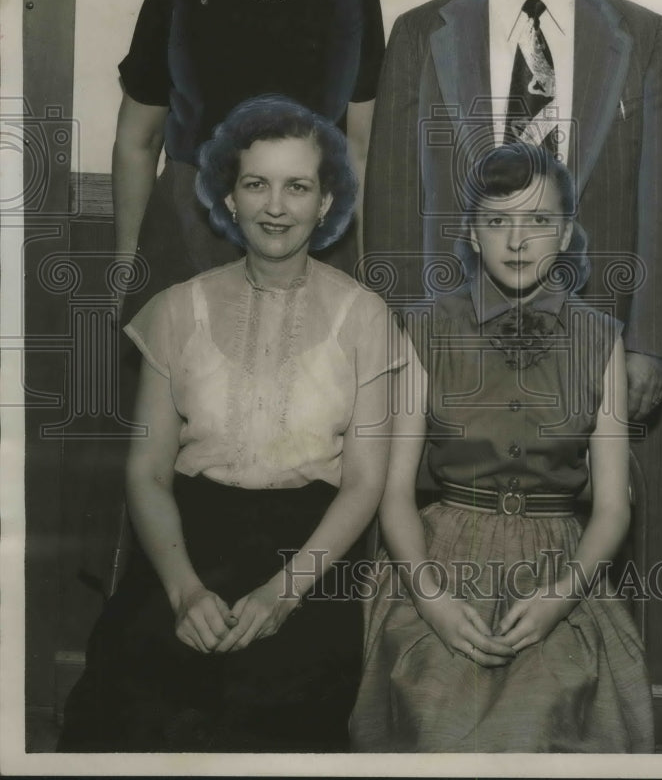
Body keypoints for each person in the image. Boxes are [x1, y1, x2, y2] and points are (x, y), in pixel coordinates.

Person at [58, 96, 404, 752]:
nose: (276, 206)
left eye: (298, 186)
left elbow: (364, 483)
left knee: (274, 715)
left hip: (311, 556)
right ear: (231, 198)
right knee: (134, 702)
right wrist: (185, 592)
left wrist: (283, 595)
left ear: (326, 202)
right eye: (257, 185)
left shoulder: (366, 317)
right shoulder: (174, 310)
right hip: (186, 542)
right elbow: (148, 472)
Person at [363, 0, 662, 421]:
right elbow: (391, 205)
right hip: (451, 343)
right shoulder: (418, 36)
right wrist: (401, 344)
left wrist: (649, 346)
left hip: (595, 339)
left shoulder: (641, 38)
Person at [351, 143, 654, 752]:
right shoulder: (426, 328)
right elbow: (394, 495)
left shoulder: (601, 340)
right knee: (437, 717)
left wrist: (559, 599)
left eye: (539, 221)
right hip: (438, 561)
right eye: (497, 221)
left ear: (566, 234)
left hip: (560, 568)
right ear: (471, 233)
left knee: (544, 716)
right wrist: (431, 600)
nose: (517, 241)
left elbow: (614, 507)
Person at [114, 0, 384, 316]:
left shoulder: (353, 2)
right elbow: (137, 141)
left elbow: (362, 150)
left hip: (315, 237)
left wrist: (366, 271)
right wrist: (129, 263)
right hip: (190, 235)